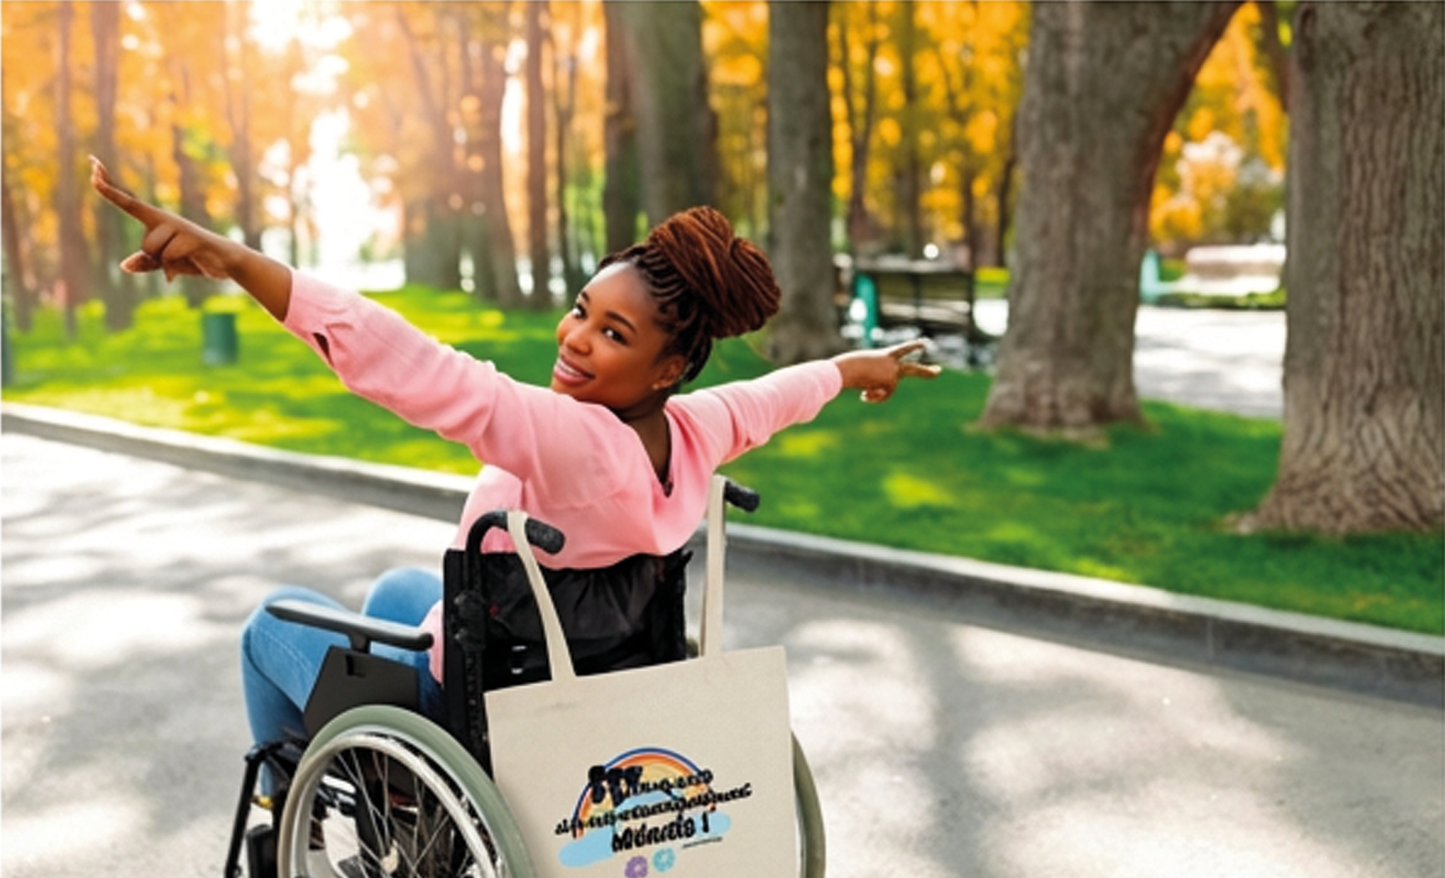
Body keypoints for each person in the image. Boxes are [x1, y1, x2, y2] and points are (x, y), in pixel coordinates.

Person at [90, 157, 939, 752]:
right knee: (395, 590)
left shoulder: (570, 440)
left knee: (271, 620)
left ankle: (299, 808)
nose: (574, 340)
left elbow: (419, 368)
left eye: (614, 334)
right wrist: (851, 368)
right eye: (581, 309)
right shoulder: (694, 432)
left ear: (668, 366)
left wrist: (242, 262)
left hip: (478, 708)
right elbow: (776, 397)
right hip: (582, 680)